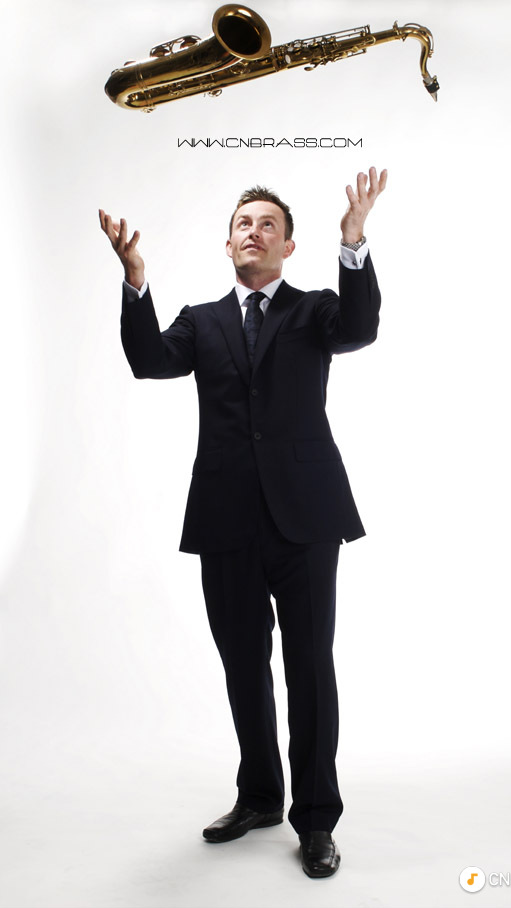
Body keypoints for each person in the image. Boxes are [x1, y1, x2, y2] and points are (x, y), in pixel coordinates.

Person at [99, 166, 387, 878]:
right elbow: (148, 361)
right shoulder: (201, 321)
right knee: (242, 666)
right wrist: (135, 281)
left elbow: (360, 329)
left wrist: (354, 243)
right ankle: (259, 796)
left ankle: (315, 820)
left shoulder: (316, 309)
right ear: (228, 244)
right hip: (226, 517)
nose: (253, 232)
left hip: (307, 518)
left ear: (288, 246)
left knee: (309, 668)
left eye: (268, 225)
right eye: (242, 224)